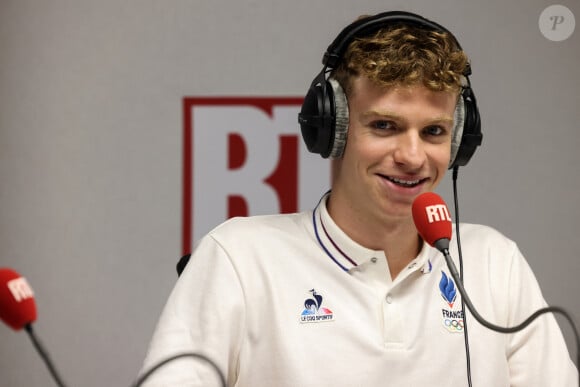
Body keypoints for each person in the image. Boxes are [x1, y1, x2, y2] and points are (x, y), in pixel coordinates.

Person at [139, 11, 578, 386]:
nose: (411, 156)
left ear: (459, 141)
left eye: (434, 132)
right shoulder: (239, 255)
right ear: (332, 129)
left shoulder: (494, 262)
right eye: (384, 126)